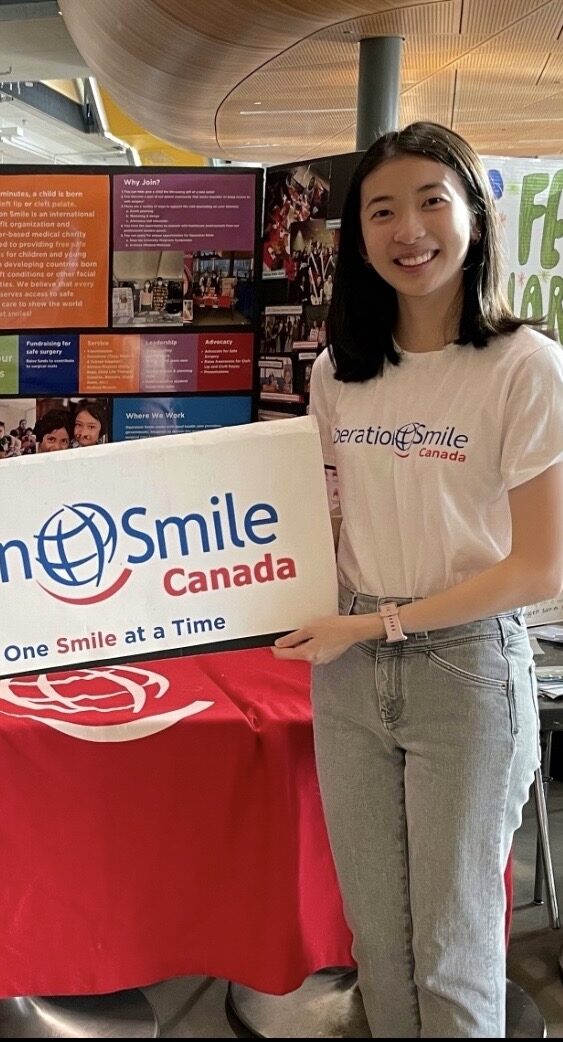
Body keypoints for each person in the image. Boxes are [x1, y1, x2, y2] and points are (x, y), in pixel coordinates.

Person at [272, 122, 563, 1037]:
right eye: (382, 210)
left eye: (432, 201)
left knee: (451, 956)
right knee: (378, 954)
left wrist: (372, 627)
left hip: (464, 673)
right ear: (357, 236)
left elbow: (539, 567)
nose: (410, 230)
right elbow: (318, 523)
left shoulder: (525, 367)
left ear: (474, 213)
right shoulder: (338, 374)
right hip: (349, 672)